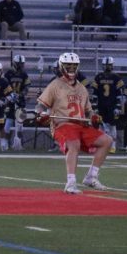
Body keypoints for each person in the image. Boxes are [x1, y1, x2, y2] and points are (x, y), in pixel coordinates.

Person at [35, 52, 112, 193]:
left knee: (106, 141)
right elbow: (40, 105)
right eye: (68, 65)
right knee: (74, 143)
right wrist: (42, 113)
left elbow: (89, 111)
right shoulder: (55, 85)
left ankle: (91, 177)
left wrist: (94, 117)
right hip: (62, 124)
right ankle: (70, 183)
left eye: (74, 65)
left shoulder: (82, 88)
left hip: (81, 125)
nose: (71, 68)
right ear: (61, 66)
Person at [90, 56, 125, 148]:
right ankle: (102, 145)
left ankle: (112, 146)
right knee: (101, 125)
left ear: (112, 66)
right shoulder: (98, 77)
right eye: (105, 65)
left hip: (112, 105)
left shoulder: (117, 78)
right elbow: (94, 94)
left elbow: (120, 95)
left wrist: (118, 107)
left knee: (112, 126)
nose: (107, 67)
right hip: (101, 105)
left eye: (109, 65)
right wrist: (95, 106)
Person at [3, 55, 31, 151]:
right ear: (15, 63)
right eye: (19, 63)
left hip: (20, 101)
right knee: (8, 122)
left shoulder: (24, 74)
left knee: (20, 124)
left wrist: (20, 95)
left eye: (21, 64)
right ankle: (5, 143)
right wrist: (10, 95)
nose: (20, 65)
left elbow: (27, 88)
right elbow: (4, 86)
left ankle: (18, 143)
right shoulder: (8, 74)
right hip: (10, 101)